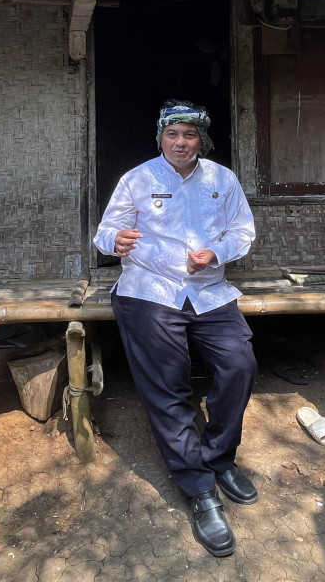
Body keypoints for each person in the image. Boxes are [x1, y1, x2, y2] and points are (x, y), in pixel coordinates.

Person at [93, 102, 257, 558]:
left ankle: (219, 457)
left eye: (189, 135)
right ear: (160, 137)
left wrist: (217, 253)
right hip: (149, 290)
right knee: (168, 382)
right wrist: (115, 240)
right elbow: (105, 232)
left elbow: (243, 231)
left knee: (239, 364)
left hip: (209, 290)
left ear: (201, 140)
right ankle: (199, 487)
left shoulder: (222, 179)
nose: (180, 142)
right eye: (172, 134)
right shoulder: (137, 179)